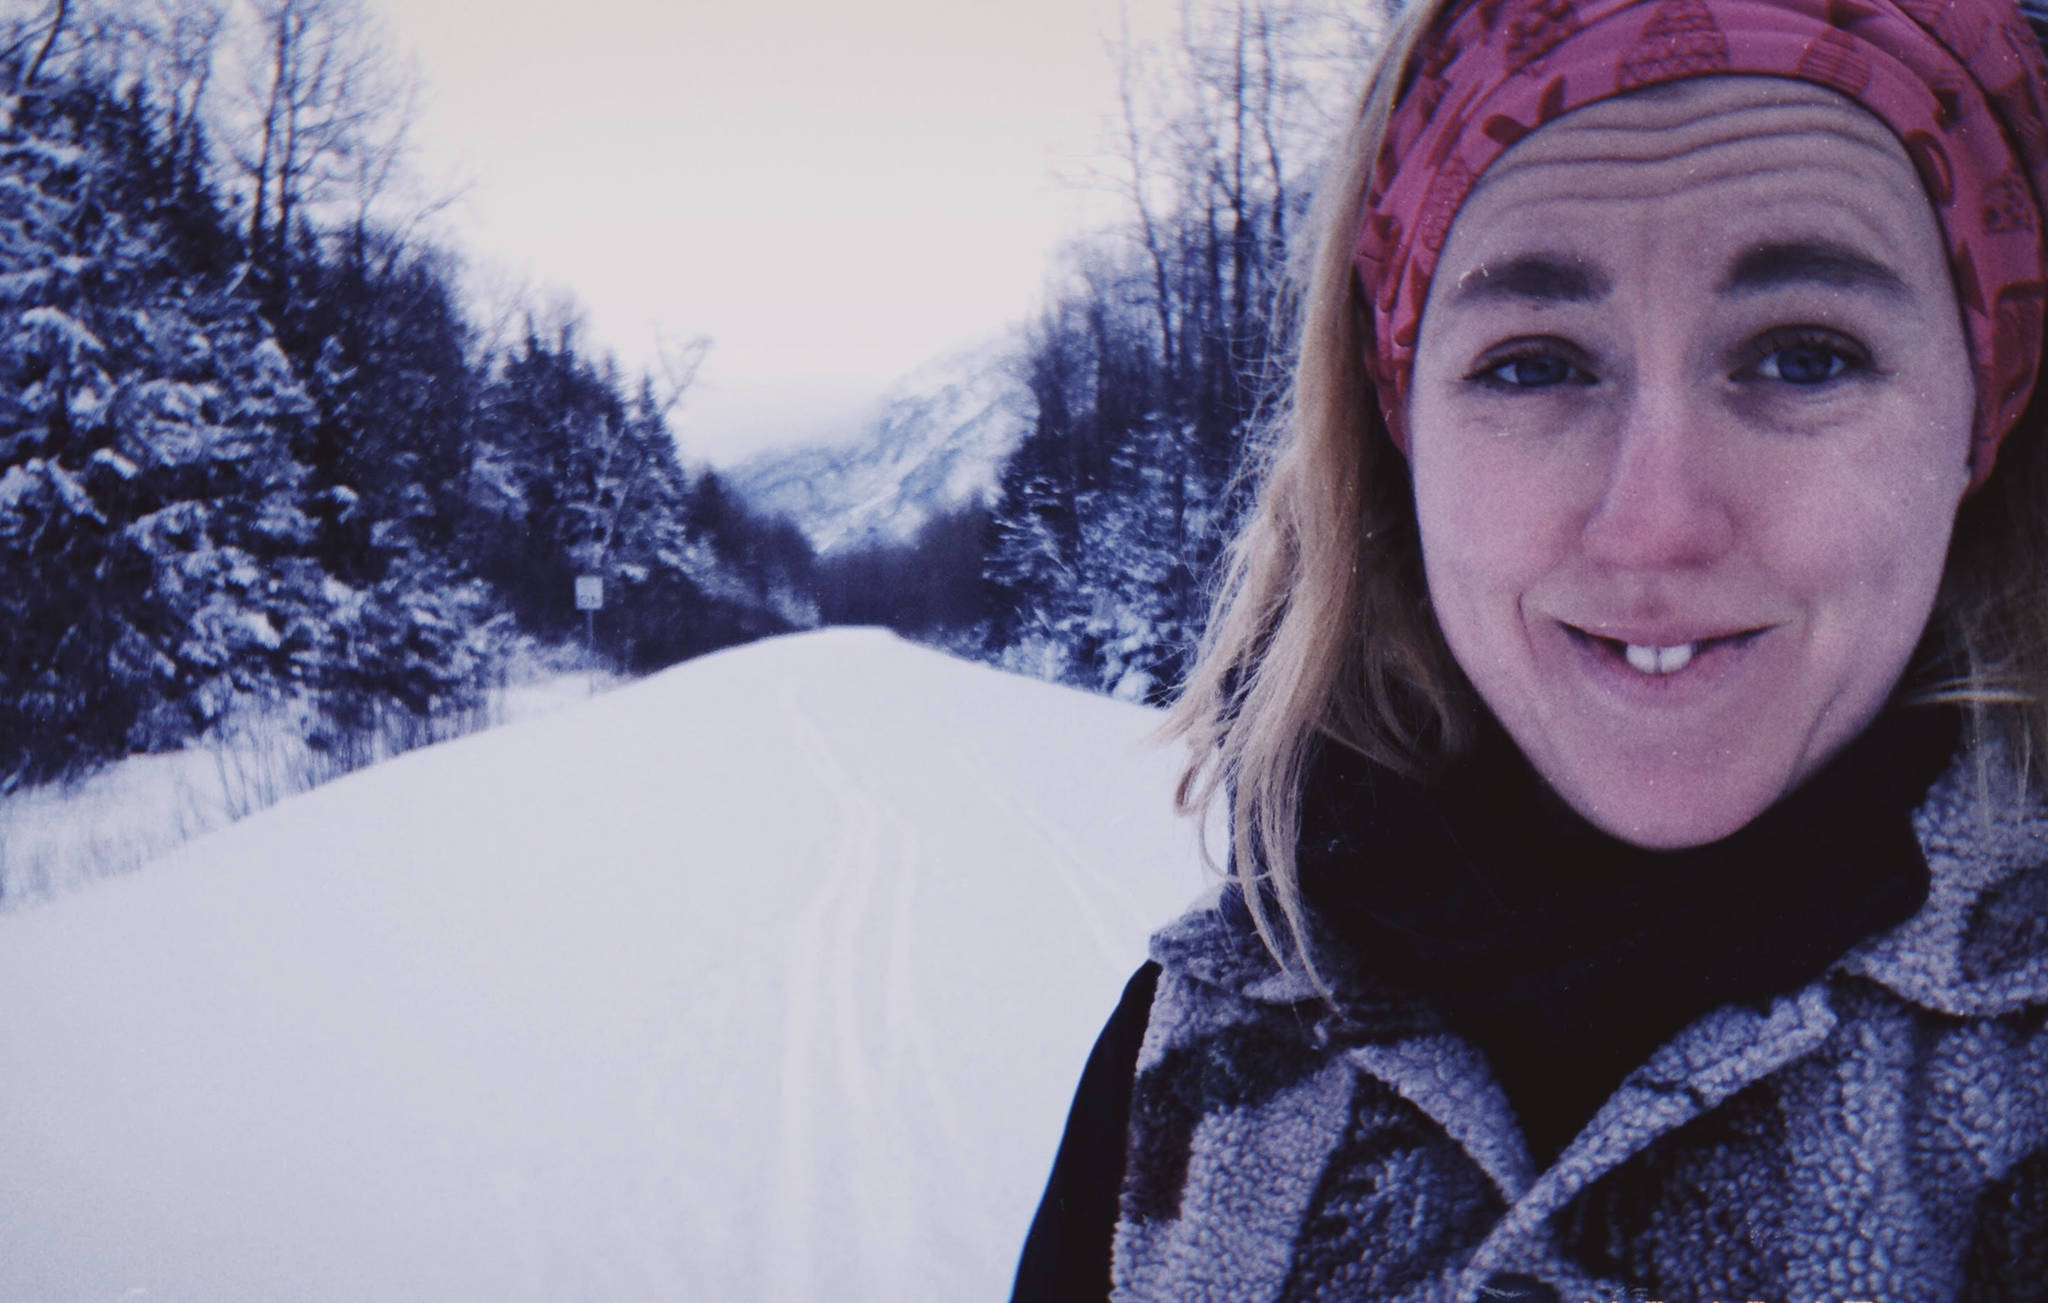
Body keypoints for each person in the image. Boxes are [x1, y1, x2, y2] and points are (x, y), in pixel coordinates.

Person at [1013, 0, 2048, 1297]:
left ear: (1982, 414)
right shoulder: (1193, 1061)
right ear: (1401, 440)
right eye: (1532, 364)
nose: (1654, 523)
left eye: (1803, 355)